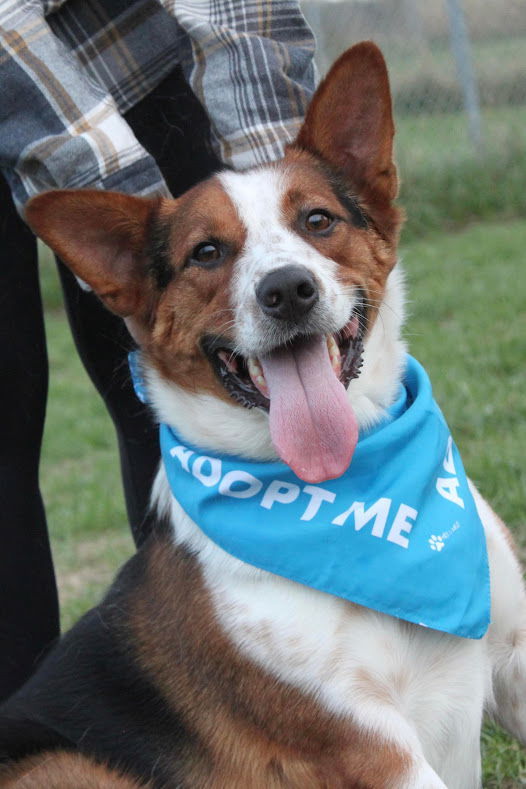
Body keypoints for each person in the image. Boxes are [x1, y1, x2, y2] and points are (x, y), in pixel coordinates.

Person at [0, 0, 316, 702]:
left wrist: (276, 205)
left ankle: (267, 687)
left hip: (123, 42)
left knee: (185, 392)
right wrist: (156, 257)